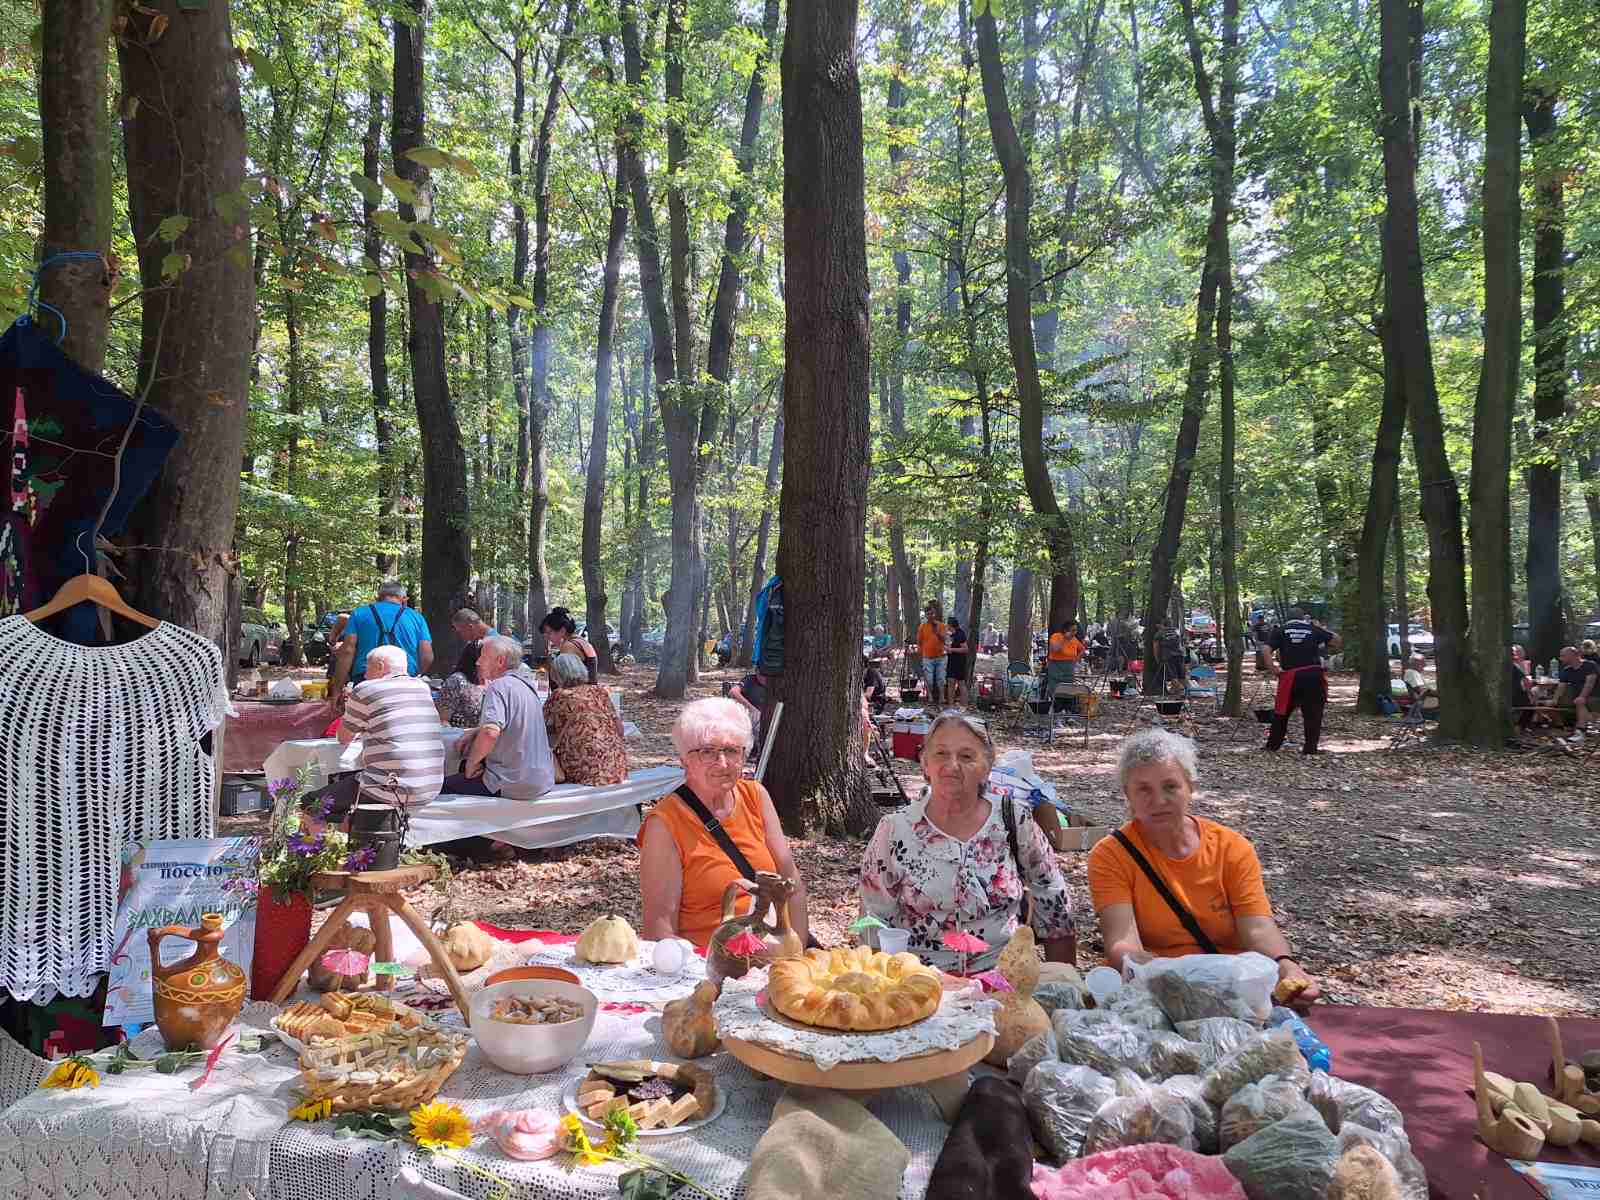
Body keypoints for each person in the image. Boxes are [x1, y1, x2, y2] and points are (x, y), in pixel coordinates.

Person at [1087, 728, 1319, 1011]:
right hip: (1157, 990)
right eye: (1144, 789)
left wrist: (1286, 966)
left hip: (1232, 988)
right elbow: (1122, 942)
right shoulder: (1111, 855)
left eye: (1170, 786)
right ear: (1128, 795)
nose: (1159, 801)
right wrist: (1167, 977)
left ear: (1190, 787)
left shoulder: (1231, 848)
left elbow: (1257, 929)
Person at [860, 711, 1075, 972]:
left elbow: (1053, 898)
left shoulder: (1013, 819)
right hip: (920, 982)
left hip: (1004, 979)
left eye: (966, 756)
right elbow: (873, 920)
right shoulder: (895, 830)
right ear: (925, 763)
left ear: (986, 767)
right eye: (941, 754)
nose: (952, 765)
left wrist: (1063, 980)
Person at [638, 698, 810, 947]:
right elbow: (659, 931)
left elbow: (791, 885)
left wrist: (796, 954)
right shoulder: (665, 823)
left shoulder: (755, 796)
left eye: (731, 750)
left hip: (774, 956)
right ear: (685, 760)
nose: (722, 763)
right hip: (706, 962)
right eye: (707, 751)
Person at [311, 645, 444, 824]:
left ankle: (320, 841)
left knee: (309, 805)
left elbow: (343, 738)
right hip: (430, 786)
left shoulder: (367, 689)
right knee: (350, 808)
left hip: (388, 786)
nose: (365, 675)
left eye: (367, 668)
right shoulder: (422, 687)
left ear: (380, 666)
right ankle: (349, 831)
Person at [442, 635, 556, 798]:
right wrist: (477, 731)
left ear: (500, 661)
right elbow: (512, 725)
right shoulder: (527, 686)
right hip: (541, 780)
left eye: (483, 657)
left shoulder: (498, 686)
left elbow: (490, 733)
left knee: (441, 788)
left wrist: (471, 764)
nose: (478, 662)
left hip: (513, 782)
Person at [329, 580, 433, 709]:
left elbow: (347, 652)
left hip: (366, 679)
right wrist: (415, 675)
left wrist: (337, 690)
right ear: (404, 599)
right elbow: (427, 656)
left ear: (378, 598)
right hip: (404, 678)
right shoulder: (416, 618)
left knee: (364, 718)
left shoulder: (359, 614)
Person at [543, 652, 627, 785]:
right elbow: (620, 729)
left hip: (586, 771)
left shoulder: (559, 696)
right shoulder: (599, 691)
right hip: (617, 767)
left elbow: (541, 727)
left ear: (556, 674)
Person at [1264, 609, 1341, 754]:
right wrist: (1321, 628)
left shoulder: (1280, 630)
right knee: (1313, 714)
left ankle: (1273, 746)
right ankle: (1310, 748)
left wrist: (1273, 669)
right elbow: (1337, 641)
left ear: (1287, 618)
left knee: (1281, 713)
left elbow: (1266, 649)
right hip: (1313, 676)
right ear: (1303, 618)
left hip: (1291, 677)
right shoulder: (1313, 629)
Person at [539, 606, 598, 683]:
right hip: (588, 688)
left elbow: (567, 681)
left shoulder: (568, 646)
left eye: (549, 633)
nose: (547, 637)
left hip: (579, 690)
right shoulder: (580, 640)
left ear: (562, 630)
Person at [1554, 645, 1598, 744]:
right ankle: (1565, 726)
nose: (1560, 658)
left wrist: (1582, 696)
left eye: (1563, 656)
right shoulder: (1567, 670)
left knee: (1580, 702)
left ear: (1572, 655)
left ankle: (1580, 733)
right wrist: (1554, 700)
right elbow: (1561, 687)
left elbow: (1590, 683)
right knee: (1565, 703)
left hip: (1595, 696)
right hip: (1577, 698)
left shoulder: (1590, 665)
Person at [450, 608, 498, 685]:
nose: (461, 636)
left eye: (461, 632)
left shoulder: (494, 644)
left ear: (470, 627)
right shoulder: (474, 644)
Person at [1044, 620, 1085, 699]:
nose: (1075, 632)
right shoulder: (1056, 636)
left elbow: (1082, 649)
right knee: (1056, 691)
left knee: (1068, 691)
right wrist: (1064, 639)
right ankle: (1055, 704)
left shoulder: (1074, 639)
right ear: (1066, 630)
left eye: (1076, 630)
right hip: (1056, 668)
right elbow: (1054, 649)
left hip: (1069, 670)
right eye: (1073, 630)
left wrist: (1076, 660)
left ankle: (1067, 704)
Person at [917, 601, 948, 701]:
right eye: (928, 614)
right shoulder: (922, 627)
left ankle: (942, 697)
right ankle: (930, 696)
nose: (930, 616)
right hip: (927, 657)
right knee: (929, 679)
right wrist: (920, 654)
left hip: (941, 657)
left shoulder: (942, 625)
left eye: (932, 613)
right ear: (926, 615)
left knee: (941, 678)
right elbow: (919, 642)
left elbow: (945, 640)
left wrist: (937, 632)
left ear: (935, 614)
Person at [945, 616, 970, 705]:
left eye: (947, 624)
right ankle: (951, 706)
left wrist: (951, 649)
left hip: (960, 662)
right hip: (951, 661)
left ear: (951, 625)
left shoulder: (960, 634)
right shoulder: (950, 635)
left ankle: (965, 706)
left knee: (961, 683)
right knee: (950, 683)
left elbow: (965, 649)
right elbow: (949, 648)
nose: (946, 626)